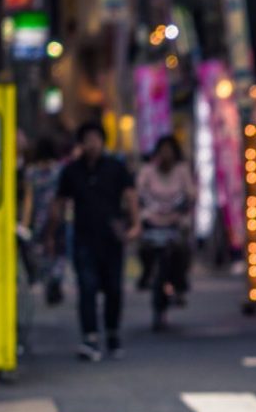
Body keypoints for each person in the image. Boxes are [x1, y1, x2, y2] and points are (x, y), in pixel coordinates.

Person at [56, 121, 139, 361]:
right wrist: (55, 234)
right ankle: (90, 336)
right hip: (83, 236)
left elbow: (130, 195)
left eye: (96, 138)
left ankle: (112, 333)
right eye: (87, 139)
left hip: (112, 236)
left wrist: (135, 225)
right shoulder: (72, 171)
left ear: (103, 141)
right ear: (81, 144)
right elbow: (59, 203)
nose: (92, 144)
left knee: (113, 287)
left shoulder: (115, 168)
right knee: (87, 287)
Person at [136, 135, 197, 331]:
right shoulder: (148, 172)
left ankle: (180, 282)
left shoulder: (181, 171)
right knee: (144, 249)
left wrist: (182, 210)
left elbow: (191, 195)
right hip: (152, 222)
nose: (166, 154)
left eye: (169, 150)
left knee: (181, 249)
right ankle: (146, 274)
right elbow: (138, 194)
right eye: (162, 150)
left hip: (174, 222)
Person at [18, 135, 68, 307]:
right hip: (58, 215)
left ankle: (48, 279)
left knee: (41, 251)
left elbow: (28, 200)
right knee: (59, 250)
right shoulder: (60, 169)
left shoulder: (31, 172)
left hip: (39, 217)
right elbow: (64, 197)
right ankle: (56, 277)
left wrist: (24, 222)